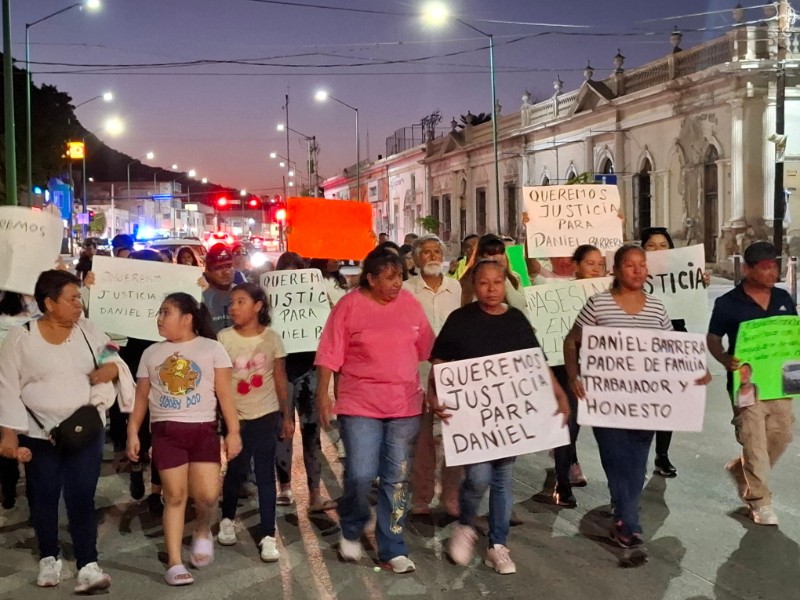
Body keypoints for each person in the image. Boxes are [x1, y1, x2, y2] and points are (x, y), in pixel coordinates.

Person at [563, 245, 710, 565]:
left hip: (646, 403)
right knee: (616, 460)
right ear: (617, 270)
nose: (637, 270)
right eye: (630, 265)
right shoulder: (598, 304)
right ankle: (627, 519)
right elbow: (572, 340)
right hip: (606, 401)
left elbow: (672, 350)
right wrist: (574, 376)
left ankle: (626, 516)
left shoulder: (657, 309)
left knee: (637, 464)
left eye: (642, 265)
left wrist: (695, 372)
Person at [429, 259, 570, 575]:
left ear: (505, 284)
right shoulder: (460, 319)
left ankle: (497, 545)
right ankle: (465, 524)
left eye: (497, 282)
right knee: (478, 477)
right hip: (474, 419)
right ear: (474, 286)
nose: (491, 289)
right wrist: (434, 393)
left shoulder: (516, 320)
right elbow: (440, 360)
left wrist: (558, 393)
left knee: (504, 480)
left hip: (508, 419)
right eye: (483, 283)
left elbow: (536, 362)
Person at [0, 270, 132, 592]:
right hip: (39, 433)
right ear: (49, 303)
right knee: (43, 496)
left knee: (81, 497)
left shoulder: (88, 331)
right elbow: (6, 385)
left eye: (79, 298)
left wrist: (112, 368)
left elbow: (111, 356)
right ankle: (49, 556)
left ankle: (88, 562)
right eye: (72, 299)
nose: (79, 306)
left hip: (84, 431)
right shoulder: (21, 337)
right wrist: (9, 434)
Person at [315, 248, 435, 574]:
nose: (398, 283)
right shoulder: (349, 306)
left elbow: (430, 350)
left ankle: (392, 545)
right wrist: (323, 396)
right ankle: (352, 525)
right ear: (371, 278)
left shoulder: (410, 305)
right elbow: (329, 354)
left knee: (396, 480)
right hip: (360, 404)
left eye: (400, 276)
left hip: (406, 405)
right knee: (360, 473)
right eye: (390, 277)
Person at [127, 293, 242, 586]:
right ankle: (175, 561)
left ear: (187, 318)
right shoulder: (151, 353)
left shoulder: (212, 349)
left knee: (206, 496)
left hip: (203, 431)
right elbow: (140, 397)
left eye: (166, 312)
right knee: (175, 497)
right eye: (160, 313)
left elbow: (225, 394)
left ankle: (202, 529)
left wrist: (233, 431)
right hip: (166, 433)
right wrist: (132, 431)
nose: (160, 319)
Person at [707, 240, 797, 526]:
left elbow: (790, 338)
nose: (773, 273)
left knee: (781, 435)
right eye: (766, 267)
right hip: (746, 385)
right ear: (748, 269)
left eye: (775, 267)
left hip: (780, 384)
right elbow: (712, 339)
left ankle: (740, 468)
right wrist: (724, 358)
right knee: (753, 441)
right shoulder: (727, 303)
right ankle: (760, 500)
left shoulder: (784, 298)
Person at [217, 283, 293, 561]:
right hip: (234, 417)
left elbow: (281, 381)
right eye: (231, 302)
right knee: (235, 469)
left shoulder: (272, 339)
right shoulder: (223, 338)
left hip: (266, 414)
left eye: (240, 301)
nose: (233, 308)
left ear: (258, 306)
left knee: (264, 475)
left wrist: (286, 416)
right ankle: (226, 518)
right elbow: (219, 381)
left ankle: (268, 534)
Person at [640, 227, 711, 478]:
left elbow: (693, 303)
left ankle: (662, 454)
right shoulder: (635, 275)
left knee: (668, 400)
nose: (658, 250)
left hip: (674, 338)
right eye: (651, 246)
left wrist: (700, 282)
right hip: (643, 342)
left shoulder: (684, 275)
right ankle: (638, 455)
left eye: (663, 245)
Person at [402, 234, 463, 517]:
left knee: (455, 436)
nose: (432, 256)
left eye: (436, 251)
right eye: (425, 252)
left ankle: (451, 495)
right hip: (417, 370)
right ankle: (422, 496)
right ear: (415, 259)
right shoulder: (405, 291)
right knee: (422, 437)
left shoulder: (457, 288)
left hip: (455, 371)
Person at [273, 252, 337, 512]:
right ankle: (285, 487)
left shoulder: (319, 296)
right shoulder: (268, 299)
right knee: (283, 431)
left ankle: (314, 493)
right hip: (281, 371)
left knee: (312, 434)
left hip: (310, 370)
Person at [549, 244, 604, 507]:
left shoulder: (611, 292)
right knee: (568, 423)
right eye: (590, 263)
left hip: (601, 367)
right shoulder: (560, 293)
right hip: (567, 366)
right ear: (577, 265)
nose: (596, 268)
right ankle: (562, 482)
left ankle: (571, 462)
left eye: (600, 264)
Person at [0, 291, 37, 509]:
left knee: (8, 440)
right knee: (27, 442)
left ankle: (9, 490)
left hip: (7, 391)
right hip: (26, 391)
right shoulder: (31, 324)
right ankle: (31, 496)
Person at [459, 234, 528, 317]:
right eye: (491, 254)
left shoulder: (515, 278)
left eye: (501, 252)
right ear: (480, 257)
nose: (498, 257)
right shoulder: (467, 282)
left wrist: (503, 277)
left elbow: (520, 305)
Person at [202, 243, 236, 334]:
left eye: (229, 266)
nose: (226, 272)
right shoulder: (200, 297)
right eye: (218, 267)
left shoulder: (244, 294)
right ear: (208, 271)